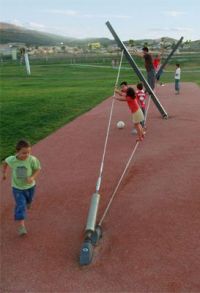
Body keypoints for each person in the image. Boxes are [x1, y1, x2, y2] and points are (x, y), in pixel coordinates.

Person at [2, 139, 41, 236]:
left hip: (30, 187)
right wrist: (4, 173)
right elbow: (5, 162)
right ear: (17, 152)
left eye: (28, 152)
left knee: (29, 200)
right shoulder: (12, 160)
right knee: (20, 205)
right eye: (24, 153)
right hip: (17, 188)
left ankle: (28, 202)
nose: (27, 155)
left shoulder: (32, 159)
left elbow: (38, 169)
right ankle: (21, 226)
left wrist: (32, 177)